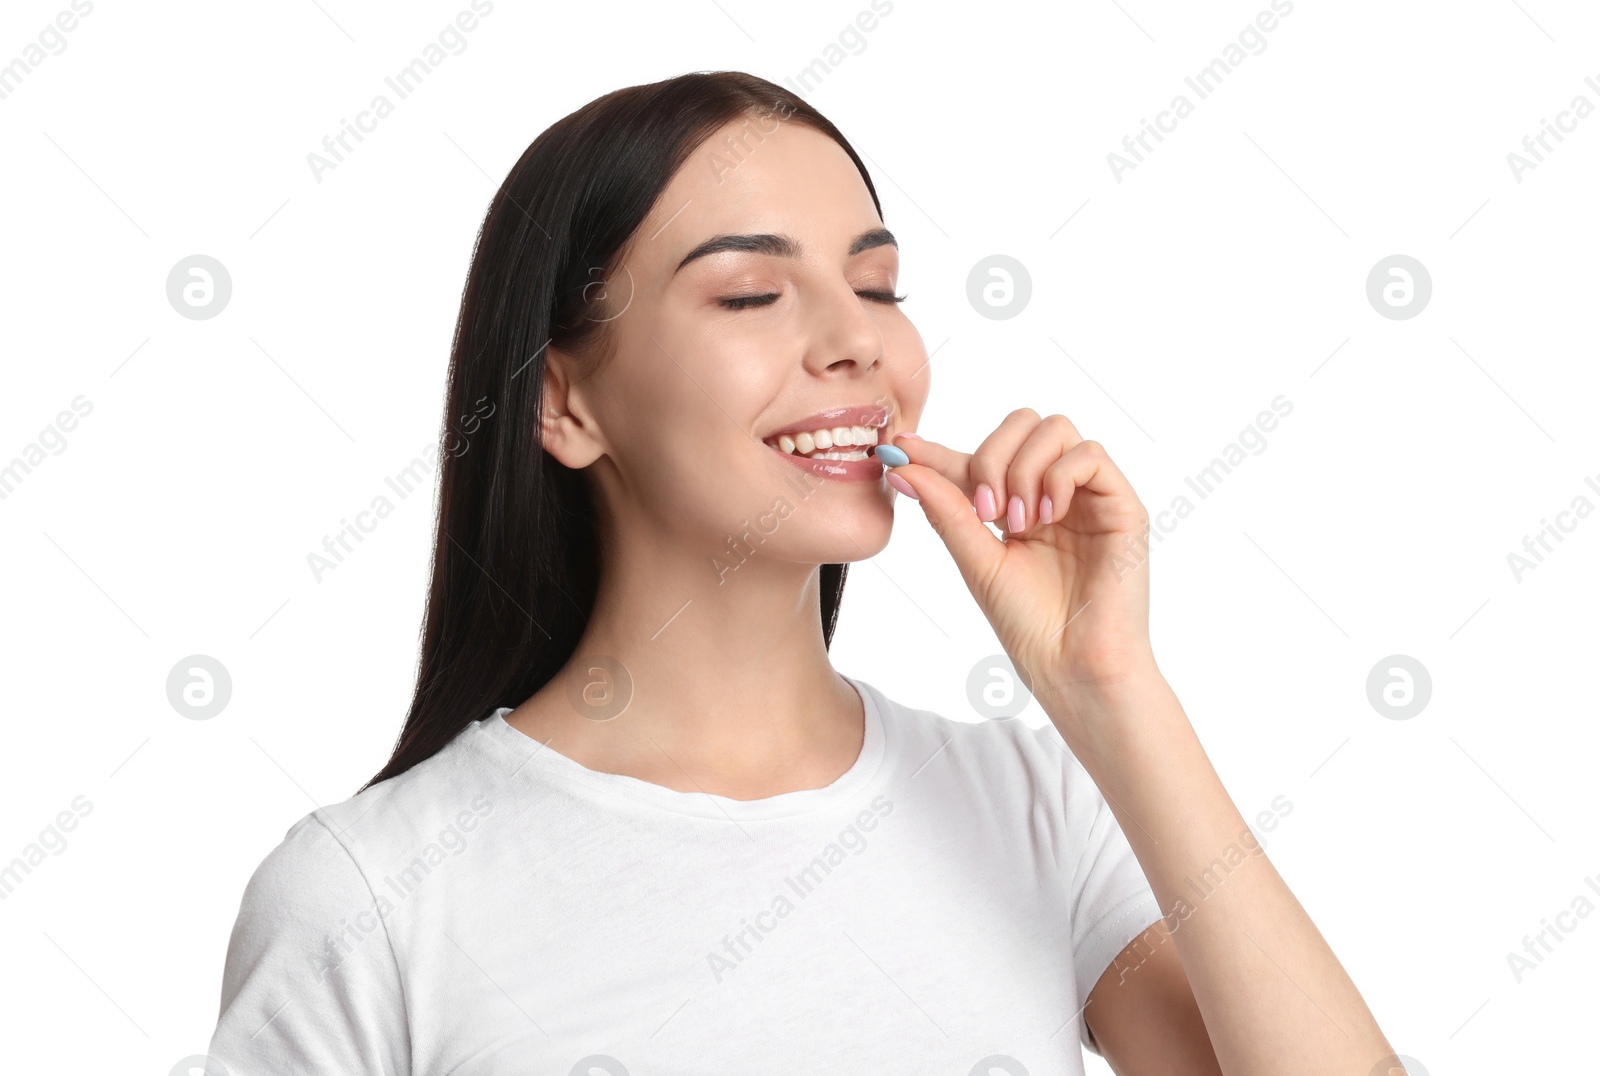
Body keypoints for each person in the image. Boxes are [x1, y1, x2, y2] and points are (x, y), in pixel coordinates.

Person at [206, 71, 1397, 1075]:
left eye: (877, 286)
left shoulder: (1036, 807)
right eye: (750, 293)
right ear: (565, 402)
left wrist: (1113, 689)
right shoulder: (367, 895)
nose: (859, 340)